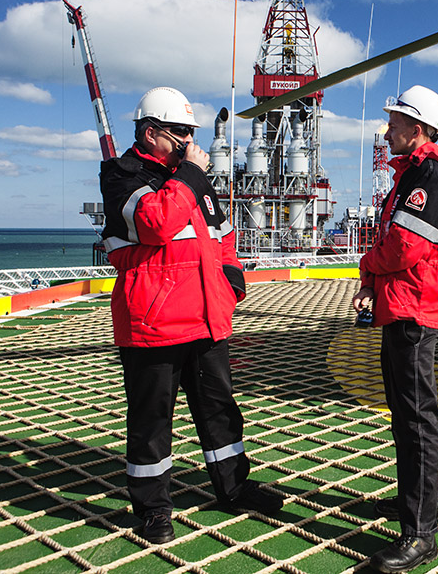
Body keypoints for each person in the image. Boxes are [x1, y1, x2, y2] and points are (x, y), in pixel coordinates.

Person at [100, 86, 282, 544]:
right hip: (152, 322)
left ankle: (234, 488)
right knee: (151, 420)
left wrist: (231, 281)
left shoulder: (190, 178)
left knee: (220, 412)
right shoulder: (123, 175)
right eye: (179, 131)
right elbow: (156, 223)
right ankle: (153, 508)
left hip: (206, 316)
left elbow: (222, 235)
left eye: (190, 132)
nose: (187, 139)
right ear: (149, 132)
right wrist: (190, 174)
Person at [352, 85, 438, 573]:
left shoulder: (430, 177)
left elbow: (403, 248)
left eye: (396, 122)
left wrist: (365, 266)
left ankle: (420, 534)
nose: (388, 129)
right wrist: (375, 281)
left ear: (417, 129)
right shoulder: (415, 174)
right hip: (401, 305)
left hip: (415, 311)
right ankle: (417, 505)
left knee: (417, 419)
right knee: (406, 414)